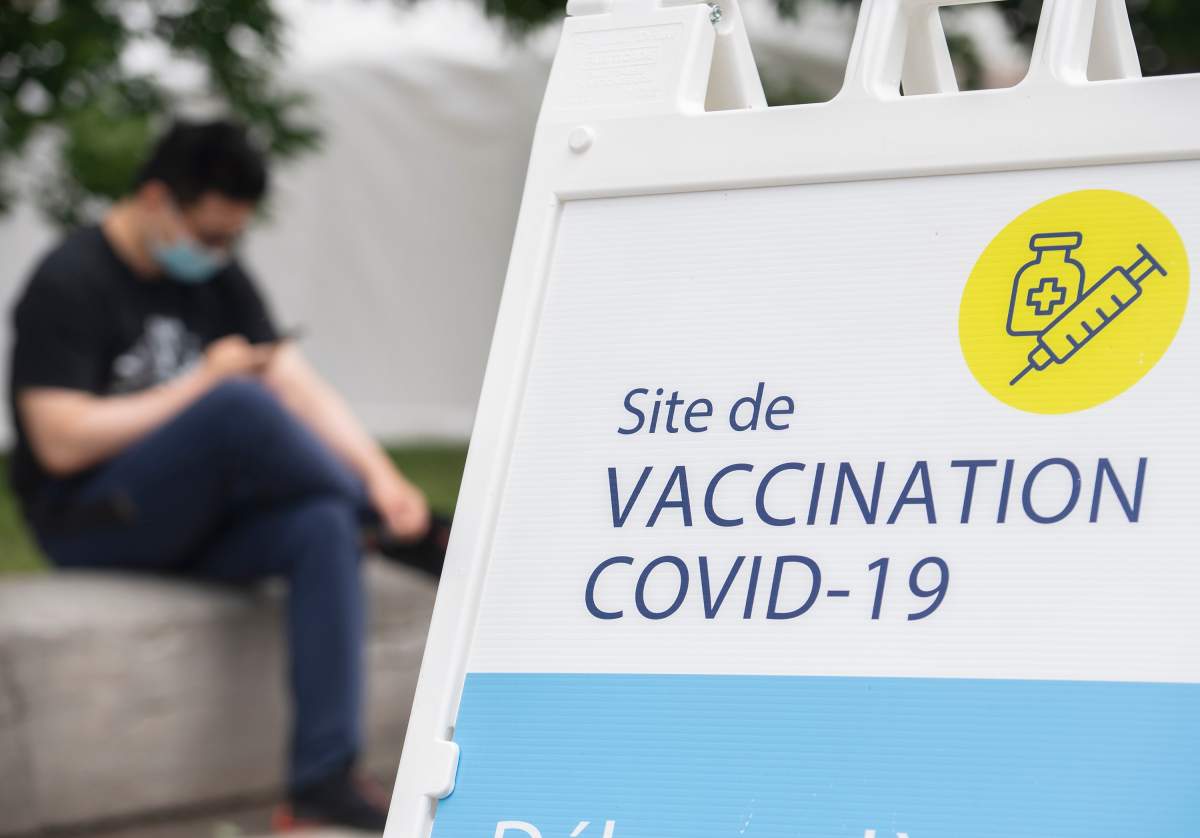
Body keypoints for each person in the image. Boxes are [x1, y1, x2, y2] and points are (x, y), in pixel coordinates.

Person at [6, 119, 447, 832]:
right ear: (157, 199)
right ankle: (412, 539)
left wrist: (384, 478)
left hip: (192, 520)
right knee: (236, 401)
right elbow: (57, 443)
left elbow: (296, 381)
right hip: (90, 523)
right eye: (209, 236)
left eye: (232, 240)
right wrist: (198, 388)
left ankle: (322, 777)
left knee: (322, 525)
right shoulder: (69, 280)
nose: (217, 253)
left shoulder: (216, 276)